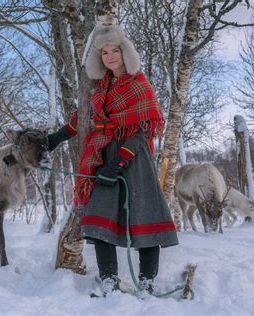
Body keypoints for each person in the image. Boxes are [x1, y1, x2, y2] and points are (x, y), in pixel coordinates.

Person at [47, 24, 179, 298]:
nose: (109, 56)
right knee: (99, 216)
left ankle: (147, 281)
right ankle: (108, 279)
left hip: (134, 156)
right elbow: (84, 118)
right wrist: (58, 137)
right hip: (103, 154)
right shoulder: (101, 87)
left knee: (144, 215)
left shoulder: (139, 82)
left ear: (125, 52)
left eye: (114, 50)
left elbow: (145, 127)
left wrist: (120, 161)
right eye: (104, 52)